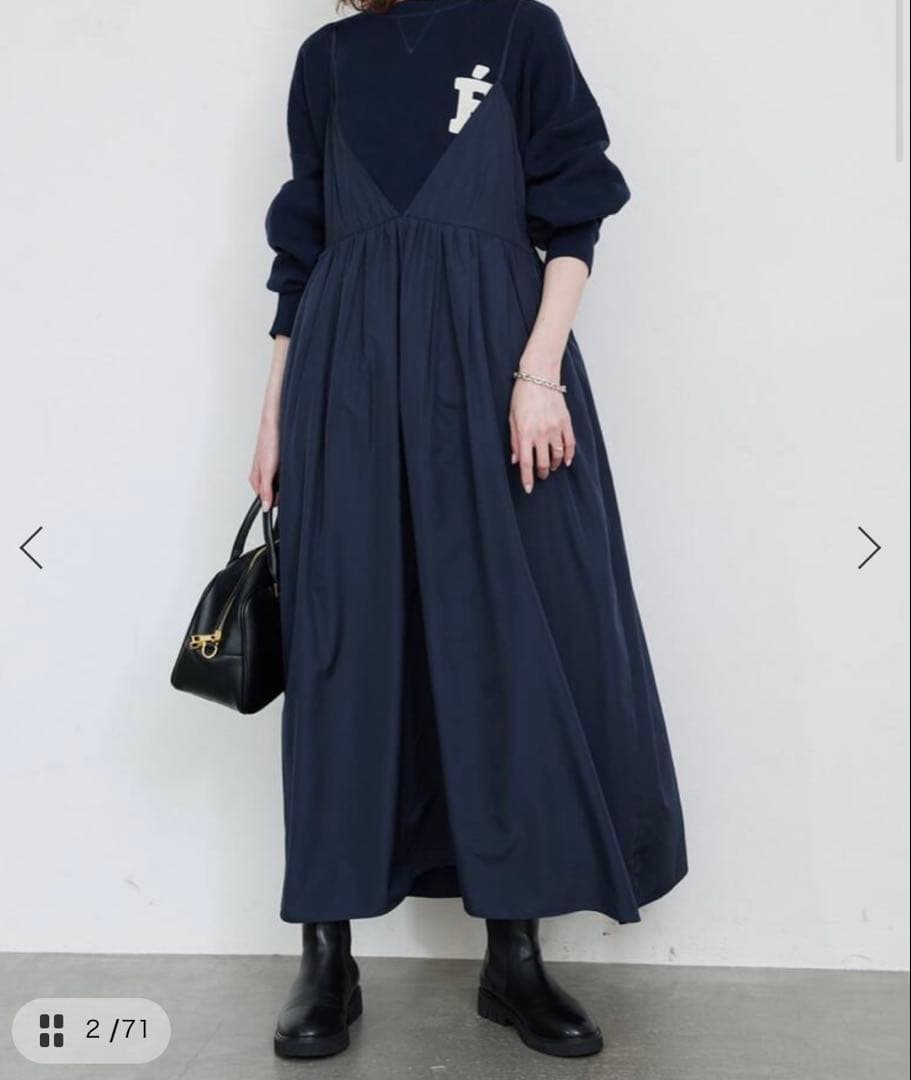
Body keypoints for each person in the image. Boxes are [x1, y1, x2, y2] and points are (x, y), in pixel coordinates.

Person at [252, 0, 687, 1060]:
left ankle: (513, 957)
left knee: (505, 648)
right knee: (342, 651)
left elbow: (573, 217)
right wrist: (270, 420)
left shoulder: (519, 32)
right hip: (345, 387)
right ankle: (326, 954)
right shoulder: (326, 59)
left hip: (494, 377)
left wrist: (538, 373)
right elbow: (301, 258)